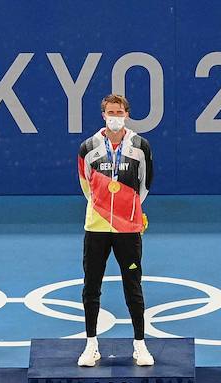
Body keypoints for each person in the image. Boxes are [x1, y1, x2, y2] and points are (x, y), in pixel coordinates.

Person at [75, 93, 155, 368]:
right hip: (96, 227)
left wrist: (127, 210)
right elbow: (86, 185)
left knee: (133, 286)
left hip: (128, 229)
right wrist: (103, 210)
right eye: (110, 112)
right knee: (91, 287)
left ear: (127, 114)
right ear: (103, 115)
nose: (115, 117)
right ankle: (91, 345)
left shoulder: (140, 146)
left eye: (119, 112)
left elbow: (145, 184)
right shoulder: (88, 147)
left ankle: (140, 345)